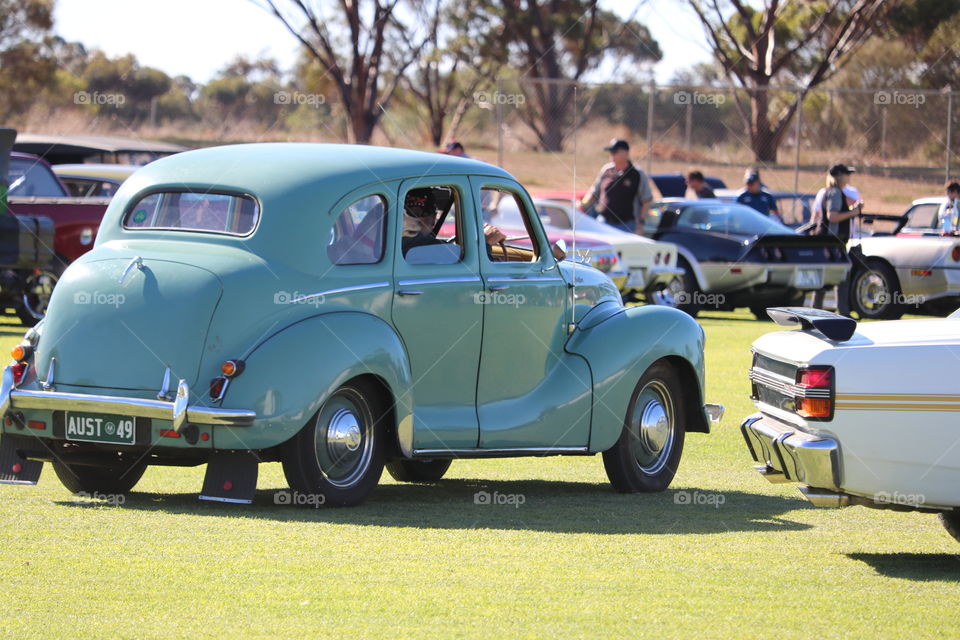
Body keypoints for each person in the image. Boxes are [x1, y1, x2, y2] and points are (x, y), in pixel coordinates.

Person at [810, 164, 864, 315]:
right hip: (832, 243)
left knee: (827, 279)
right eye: (847, 174)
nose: (849, 177)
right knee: (841, 277)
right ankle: (842, 313)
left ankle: (817, 313)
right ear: (840, 176)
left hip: (829, 243)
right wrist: (854, 212)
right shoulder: (835, 192)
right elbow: (832, 216)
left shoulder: (833, 191)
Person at [401, 187, 505, 257]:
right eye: (412, 213)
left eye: (418, 214)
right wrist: (484, 244)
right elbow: (474, 274)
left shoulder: (389, 244)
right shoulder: (436, 251)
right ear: (434, 218)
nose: (415, 219)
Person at [579, 138, 653, 234]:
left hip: (627, 225)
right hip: (603, 222)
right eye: (611, 152)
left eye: (615, 151)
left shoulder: (637, 174)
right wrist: (583, 204)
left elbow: (646, 200)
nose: (612, 154)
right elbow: (594, 193)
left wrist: (641, 224)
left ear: (625, 153)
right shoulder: (606, 170)